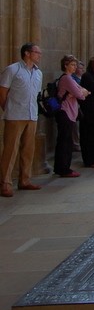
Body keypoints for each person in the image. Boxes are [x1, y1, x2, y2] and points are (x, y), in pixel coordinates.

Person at [0, 43, 43, 197]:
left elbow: (36, 94)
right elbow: (3, 91)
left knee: (28, 149)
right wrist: (8, 108)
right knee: (10, 150)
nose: (39, 55)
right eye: (36, 52)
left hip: (32, 115)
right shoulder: (13, 69)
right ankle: (5, 183)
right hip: (15, 115)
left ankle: (24, 179)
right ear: (27, 53)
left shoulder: (38, 73)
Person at [54, 55, 90, 178]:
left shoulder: (70, 79)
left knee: (65, 141)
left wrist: (80, 92)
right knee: (65, 142)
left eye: (75, 65)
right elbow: (81, 94)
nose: (75, 67)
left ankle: (60, 167)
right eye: (72, 65)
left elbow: (85, 91)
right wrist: (80, 93)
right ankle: (64, 169)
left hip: (69, 112)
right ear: (66, 65)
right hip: (65, 112)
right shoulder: (67, 79)